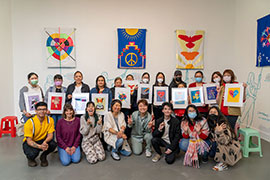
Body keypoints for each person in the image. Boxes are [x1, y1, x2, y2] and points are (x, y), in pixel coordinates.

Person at [22, 102, 56, 167]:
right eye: (39, 109)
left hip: (43, 140)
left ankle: (43, 156)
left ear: (46, 110)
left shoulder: (50, 120)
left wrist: (45, 142)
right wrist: (40, 147)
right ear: (35, 111)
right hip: (31, 141)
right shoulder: (29, 123)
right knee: (32, 153)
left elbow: (50, 135)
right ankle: (30, 158)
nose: (42, 111)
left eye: (44, 109)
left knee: (53, 144)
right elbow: (29, 141)